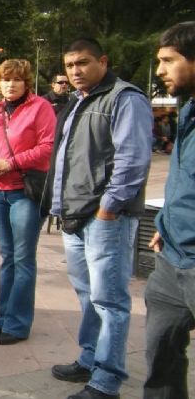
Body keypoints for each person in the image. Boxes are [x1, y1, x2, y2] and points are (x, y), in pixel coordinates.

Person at [48, 38, 152, 399]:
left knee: (110, 301)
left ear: (103, 61)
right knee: (88, 296)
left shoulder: (126, 98)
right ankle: (90, 359)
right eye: (70, 65)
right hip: (75, 214)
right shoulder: (78, 101)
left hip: (106, 218)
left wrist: (109, 208)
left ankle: (107, 380)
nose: (75, 71)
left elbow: (133, 159)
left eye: (83, 63)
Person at [0, 59, 56, 345]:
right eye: (6, 80)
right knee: (8, 257)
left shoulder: (40, 107)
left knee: (23, 258)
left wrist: (11, 163)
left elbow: (47, 147)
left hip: (23, 191)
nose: (10, 84)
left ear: (26, 82)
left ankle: (18, 324)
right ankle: (4, 317)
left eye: (17, 79)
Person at [144, 21, 195, 399]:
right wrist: (167, 222)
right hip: (170, 258)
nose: (160, 70)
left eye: (168, 60)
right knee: (160, 353)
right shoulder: (188, 109)